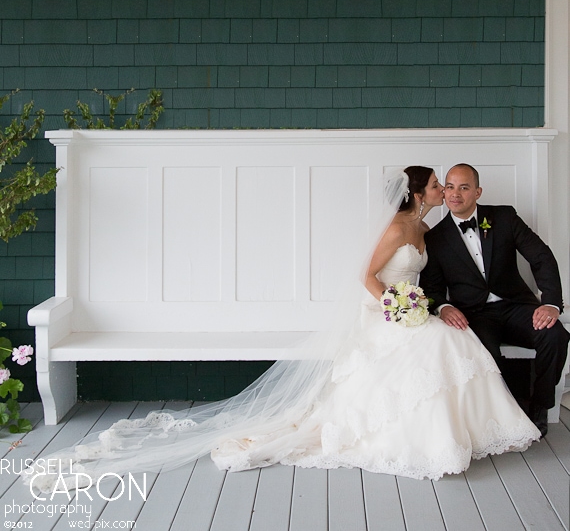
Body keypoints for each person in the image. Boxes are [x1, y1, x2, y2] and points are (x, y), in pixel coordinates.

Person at [24, 167, 540, 492]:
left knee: (450, 339)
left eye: (449, 186)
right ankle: (416, 435)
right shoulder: (397, 228)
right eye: (436, 185)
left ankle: (471, 432)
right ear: (418, 192)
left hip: (406, 307)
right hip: (383, 310)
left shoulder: (427, 228)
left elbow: (436, 270)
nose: (441, 191)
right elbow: (365, 276)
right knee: (436, 343)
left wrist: (423, 305)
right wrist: (397, 306)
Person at [422, 163, 570, 437]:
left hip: (516, 306)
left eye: (464, 187)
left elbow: (541, 256)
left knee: (555, 335)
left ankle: (540, 406)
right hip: (474, 314)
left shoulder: (504, 217)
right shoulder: (434, 238)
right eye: (450, 186)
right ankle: (502, 416)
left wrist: (550, 303)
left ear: (477, 192)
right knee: (485, 352)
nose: (455, 194)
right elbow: (430, 288)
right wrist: (444, 307)